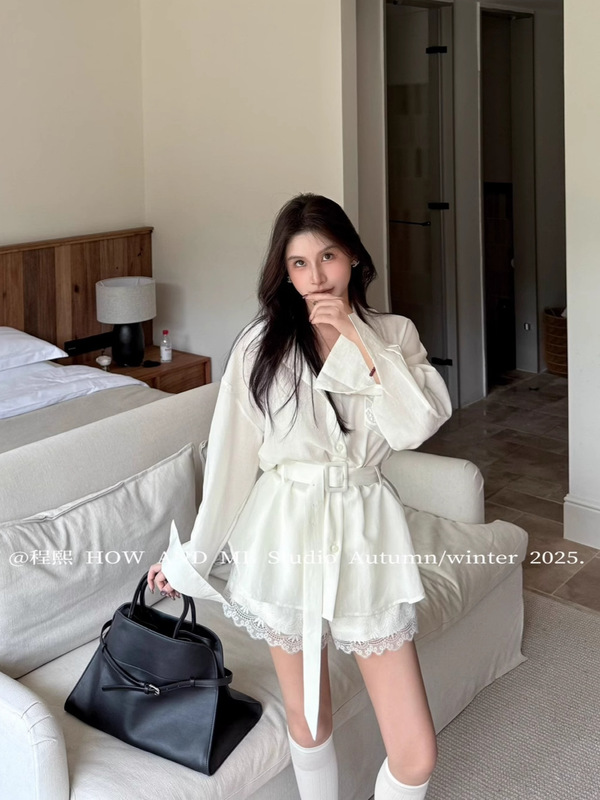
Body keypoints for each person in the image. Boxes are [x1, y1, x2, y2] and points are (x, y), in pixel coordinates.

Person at [148, 193, 453, 800]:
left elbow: (416, 425)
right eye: (299, 263)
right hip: (284, 528)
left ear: (354, 258)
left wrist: (357, 340)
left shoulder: (394, 335)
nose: (317, 277)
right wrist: (188, 561)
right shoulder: (259, 346)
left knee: (416, 752)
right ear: (284, 273)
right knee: (309, 718)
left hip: (365, 530)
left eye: (328, 256)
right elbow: (231, 465)